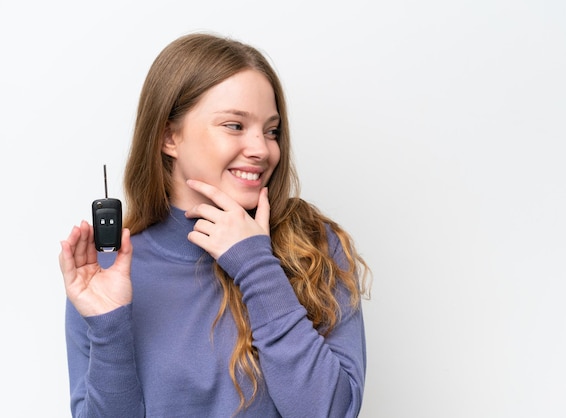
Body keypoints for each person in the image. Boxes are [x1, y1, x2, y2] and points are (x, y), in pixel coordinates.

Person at [59, 32, 371, 418]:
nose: (262, 149)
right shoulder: (107, 275)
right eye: (235, 126)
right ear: (168, 136)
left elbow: (331, 412)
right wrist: (109, 330)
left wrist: (256, 266)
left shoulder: (314, 248)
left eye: (271, 130)